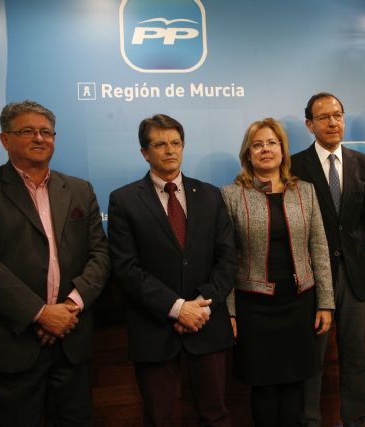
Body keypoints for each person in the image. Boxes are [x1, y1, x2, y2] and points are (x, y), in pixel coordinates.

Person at [0, 100, 110, 426]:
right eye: (27, 131)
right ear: (5, 140)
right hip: (12, 345)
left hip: (72, 340)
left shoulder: (80, 190)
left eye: (46, 132)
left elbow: (100, 254)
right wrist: (41, 314)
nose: (39, 138)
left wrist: (69, 306)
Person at [108, 114, 237, 426]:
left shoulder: (210, 194)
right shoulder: (124, 200)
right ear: (145, 152)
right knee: (159, 417)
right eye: (160, 144)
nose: (169, 150)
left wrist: (201, 305)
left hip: (207, 323)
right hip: (154, 328)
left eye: (175, 143)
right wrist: (178, 308)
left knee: (215, 415)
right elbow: (126, 268)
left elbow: (228, 259)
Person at [221, 117, 334, 426]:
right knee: (265, 388)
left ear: (283, 151)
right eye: (257, 145)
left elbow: (319, 249)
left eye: (272, 143)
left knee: (296, 383)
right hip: (254, 307)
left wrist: (325, 302)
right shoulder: (231, 195)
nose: (265, 150)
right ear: (248, 154)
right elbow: (226, 260)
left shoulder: (305, 192)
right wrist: (229, 310)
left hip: (299, 302)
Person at [291, 92, 365, 427]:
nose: (332, 122)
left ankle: (355, 420)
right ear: (310, 125)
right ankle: (309, 422)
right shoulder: (295, 166)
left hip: (354, 276)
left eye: (337, 115)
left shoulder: (362, 163)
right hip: (312, 277)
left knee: (356, 357)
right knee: (312, 360)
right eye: (323, 117)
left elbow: (364, 220)